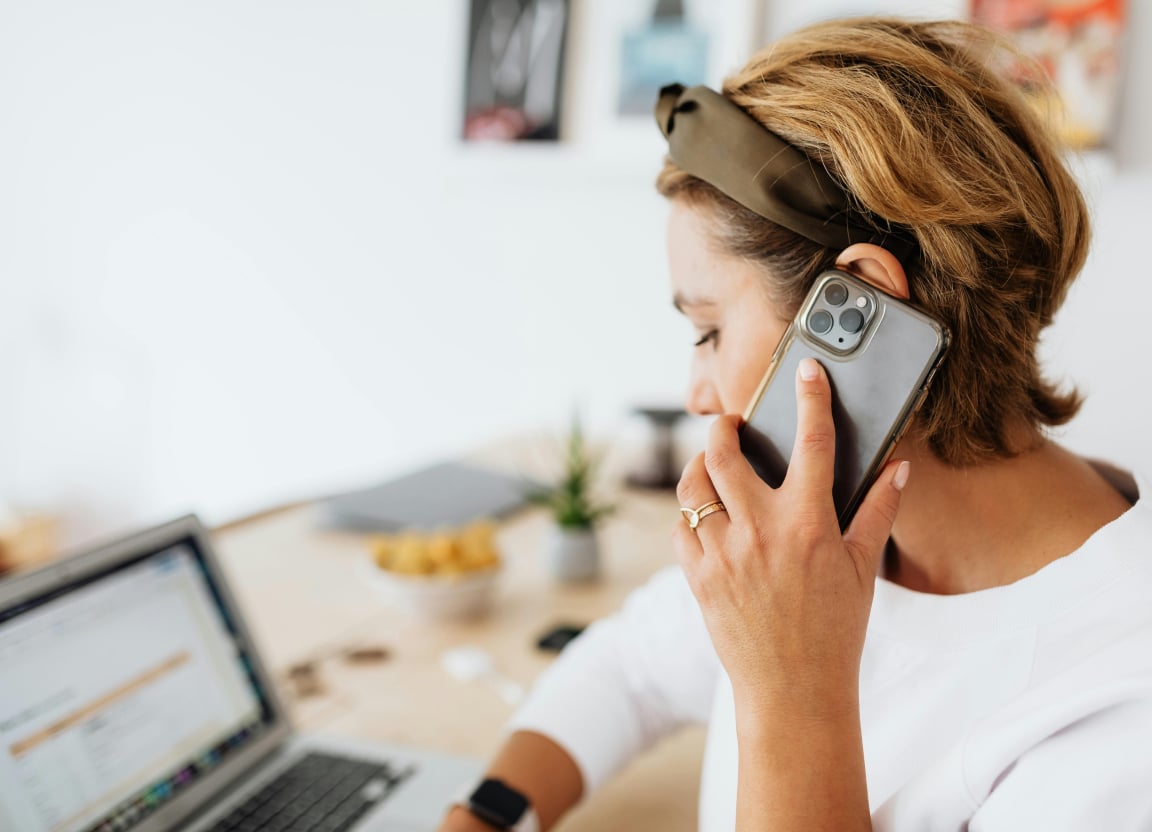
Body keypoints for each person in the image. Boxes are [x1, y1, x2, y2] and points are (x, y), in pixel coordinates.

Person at [441, 16, 1152, 831]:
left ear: (862, 310)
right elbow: (630, 666)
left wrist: (793, 685)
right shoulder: (825, 533)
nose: (698, 391)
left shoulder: (1122, 703)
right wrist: (487, 818)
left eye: (708, 330)